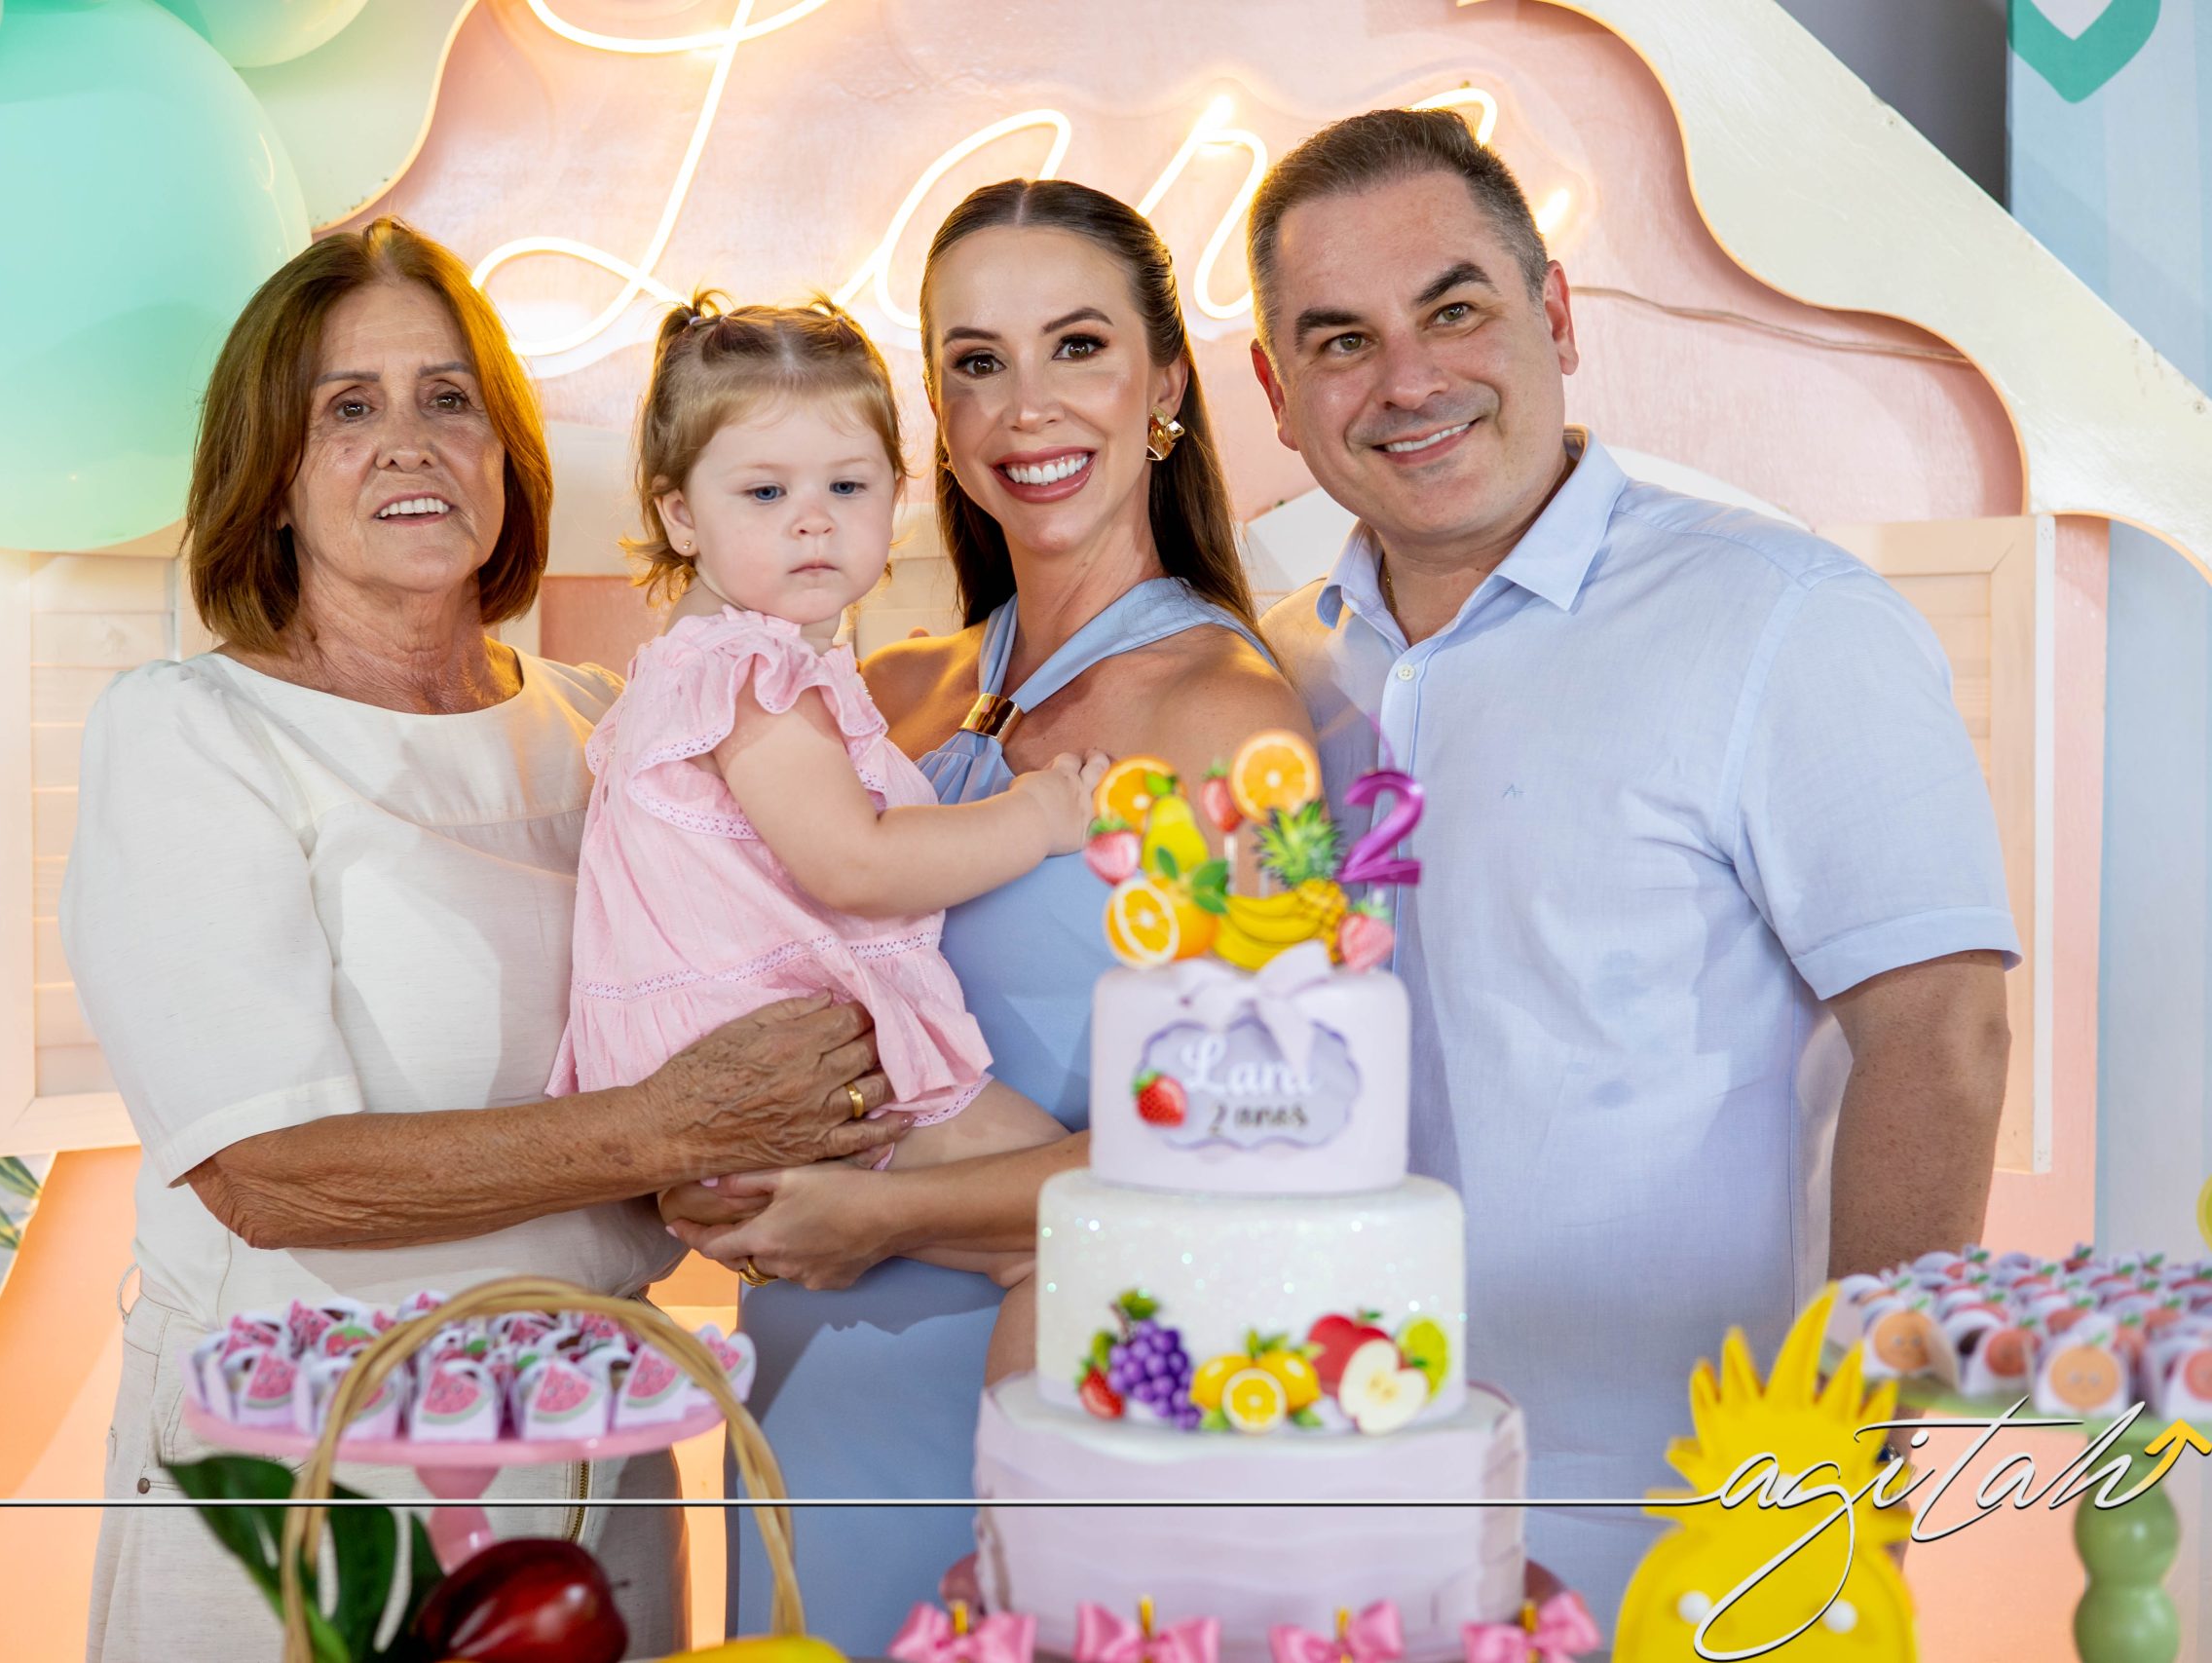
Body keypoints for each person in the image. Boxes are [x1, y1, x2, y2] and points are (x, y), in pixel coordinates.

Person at [63, 219, 904, 1662]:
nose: (410, 441)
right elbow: (264, 1173)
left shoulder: (608, 725)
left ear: (505, 452)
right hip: (313, 1472)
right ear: (270, 478)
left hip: (593, 1448)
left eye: (449, 398)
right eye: (347, 407)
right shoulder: (195, 735)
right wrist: (666, 1126)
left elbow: (763, 994)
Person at [1246, 109, 2017, 1618]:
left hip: (1683, 1530)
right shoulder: (1271, 686)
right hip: (1333, 1519)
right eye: (1341, 340)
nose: (1408, 379)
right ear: (1278, 394)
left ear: (1555, 314)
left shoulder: (1782, 616)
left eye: (1453, 309)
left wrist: (1853, 1474)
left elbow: (1942, 1035)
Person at [663, 179, 1312, 1650]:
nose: (1027, 405)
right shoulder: (882, 690)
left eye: (1077, 345)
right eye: (976, 361)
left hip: (1053, 1410)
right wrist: (697, 1164)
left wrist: (875, 1214)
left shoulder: (1228, 720)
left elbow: (1245, 1145)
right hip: (803, 1416)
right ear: (939, 419)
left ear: (1165, 384)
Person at [552, 291, 1103, 1376]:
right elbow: (854, 863)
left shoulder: (690, 667)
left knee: (1032, 1248)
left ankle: (1023, 1475)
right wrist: (1034, 814)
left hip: (718, 1091)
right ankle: (1038, 1485)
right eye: (765, 492)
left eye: (846, 487)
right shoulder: (749, 673)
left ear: (896, 498)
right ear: (679, 516)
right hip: (781, 1071)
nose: (812, 519)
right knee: (1092, 1228)